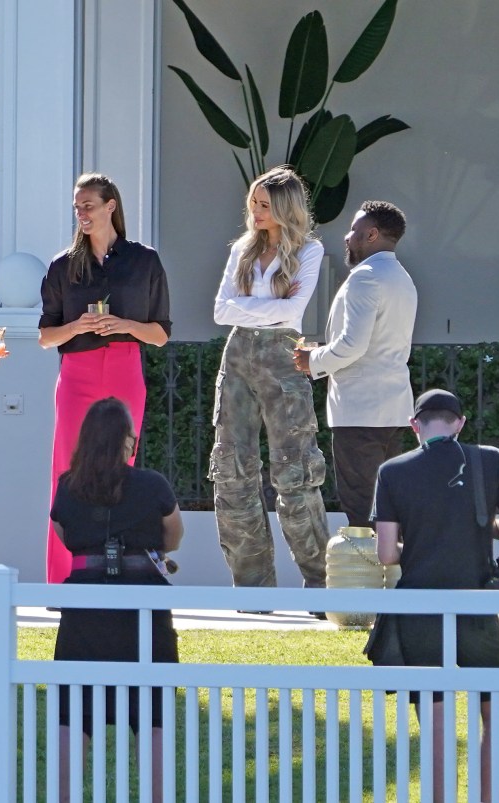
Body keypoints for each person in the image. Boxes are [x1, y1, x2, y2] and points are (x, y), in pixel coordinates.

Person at [373, 389, 499, 802]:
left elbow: (387, 555)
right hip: (475, 605)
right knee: (496, 711)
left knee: (436, 719)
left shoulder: (392, 471)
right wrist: (482, 526)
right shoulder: (488, 460)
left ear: (415, 426)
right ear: (460, 423)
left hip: (419, 610)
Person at [39, 172, 171, 583]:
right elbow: (45, 337)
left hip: (125, 366)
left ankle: (117, 572)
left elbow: (161, 334)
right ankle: (64, 579)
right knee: (67, 469)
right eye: (77, 207)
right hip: (76, 373)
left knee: (121, 470)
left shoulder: (144, 260)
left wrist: (124, 324)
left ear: (110, 206)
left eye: (88, 205)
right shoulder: (62, 265)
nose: (81, 213)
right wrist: (77, 327)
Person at [51, 397, 183, 802]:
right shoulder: (153, 485)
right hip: (144, 608)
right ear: (127, 441)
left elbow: (63, 533)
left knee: (73, 713)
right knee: (154, 714)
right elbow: (173, 538)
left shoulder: (68, 487)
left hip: (85, 611)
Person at [210, 167, 330, 591]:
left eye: (265, 205)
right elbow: (221, 312)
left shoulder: (309, 251)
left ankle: (320, 585)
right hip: (238, 354)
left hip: (282, 353)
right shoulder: (243, 248)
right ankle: (253, 588)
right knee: (231, 469)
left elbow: (291, 313)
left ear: (285, 207)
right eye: (254, 204)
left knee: (294, 470)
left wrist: (250, 307)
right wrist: (269, 307)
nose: (256, 212)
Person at [294, 200, 417, 529]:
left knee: (364, 509)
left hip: (359, 412)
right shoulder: (402, 277)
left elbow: (353, 345)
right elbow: (374, 343)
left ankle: (371, 578)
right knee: (391, 507)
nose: (347, 237)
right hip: (394, 411)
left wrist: (312, 360)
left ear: (372, 234)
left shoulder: (365, 278)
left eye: (354, 230)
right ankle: (396, 575)